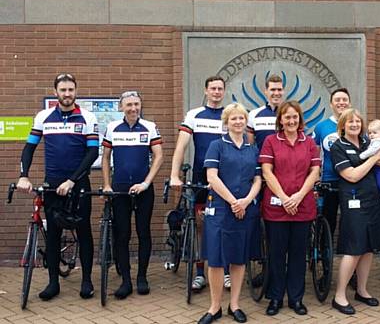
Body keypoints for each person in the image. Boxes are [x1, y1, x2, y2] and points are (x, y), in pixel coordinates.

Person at [17, 73, 99, 300]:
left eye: (71, 89)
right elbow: (29, 148)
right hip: (53, 183)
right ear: (55, 92)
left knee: (84, 232)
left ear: (76, 91)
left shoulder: (87, 117)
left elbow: (93, 152)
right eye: (63, 90)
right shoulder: (43, 117)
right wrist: (23, 175)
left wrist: (72, 180)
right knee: (53, 233)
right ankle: (53, 283)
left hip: (78, 182)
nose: (67, 94)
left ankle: (87, 281)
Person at [198, 103, 262, 324]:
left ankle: (234, 304)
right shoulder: (216, 146)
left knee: (238, 258)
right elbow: (212, 178)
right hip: (220, 209)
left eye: (241, 118)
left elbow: (257, 179)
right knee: (215, 260)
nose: (238, 122)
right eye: (233, 119)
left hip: (244, 210)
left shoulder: (251, 149)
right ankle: (215, 307)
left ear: (246, 122)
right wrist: (234, 201)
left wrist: (245, 201)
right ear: (226, 122)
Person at [259, 101, 320, 316]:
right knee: (276, 254)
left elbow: (314, 172)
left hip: (302, 206)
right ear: (281, 120)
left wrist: (299, 196)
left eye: (295, 117)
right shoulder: (270, 141)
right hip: (276, 207)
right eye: (287, 117)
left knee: (297, 254)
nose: (291, 121)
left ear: (300, 119)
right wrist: (285, 198)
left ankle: (296, 298)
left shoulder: (310, 142)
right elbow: (267, 172)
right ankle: (275, 297)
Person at [330, 108, 380, 316]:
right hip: (353, 203)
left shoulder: (369, 142)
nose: (355, 125)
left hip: (373, 202)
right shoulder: (338, 146)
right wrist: (375, 160)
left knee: (368, 249)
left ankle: (362, 290)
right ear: (343, 125)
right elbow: (353, 175)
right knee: (354, 248)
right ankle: (339, 295)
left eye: (358, 122)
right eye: (350, 122)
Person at [101, 90, 163, 299]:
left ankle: (142, 277)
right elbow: (106, 158)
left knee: (143, 232)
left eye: (136, 104)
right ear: (121, 108)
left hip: (144, 189)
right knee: (122, 235)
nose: (133, 108)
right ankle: (126, 280)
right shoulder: (112, 128)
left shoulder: (150, 127)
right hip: (119, 189)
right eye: (129, 105)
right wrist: (107, 184)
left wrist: (146, 183)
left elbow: (159, 156)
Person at [170, 76, 226, 291]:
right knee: (201, 226)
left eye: (220, 88)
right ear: (206, 90)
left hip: (224, 179)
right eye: (213, 88)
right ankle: (201, 273)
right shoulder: (194, 115)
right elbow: (181, 147)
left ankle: (227, 271)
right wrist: (175, 175)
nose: (216, 92)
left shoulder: (229, 115)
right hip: (201, 178)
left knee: (225, 224)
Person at [311, 87, 351, 237]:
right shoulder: (322, 126)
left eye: (344, 100)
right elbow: (315, 154)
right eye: (337, 100)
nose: (341, 103)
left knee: (349, 217)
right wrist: (315, 175)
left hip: (351, 179)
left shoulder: (356, 124)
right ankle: (325, 252)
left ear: (349, 103)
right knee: (329, 217)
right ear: (331, 104)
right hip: (329, 179)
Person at [359, 119, 380, 207]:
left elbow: (371, 151)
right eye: (370, 133)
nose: (371, 135)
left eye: (374, 132)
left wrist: (361, 156)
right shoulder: (376, 141)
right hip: (377, 166)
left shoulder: (379, 142)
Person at [248, 74, 284, 150]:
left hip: (284, 161)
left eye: (279, 89)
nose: (276, 93)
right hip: (261, 161)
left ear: (283, 91)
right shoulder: (253, 115)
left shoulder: (290, 115)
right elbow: (249, 148)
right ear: (266, 91)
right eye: (273, 90)